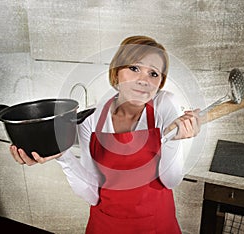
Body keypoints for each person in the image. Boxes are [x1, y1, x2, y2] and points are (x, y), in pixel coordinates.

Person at [10, 35, 201, 234]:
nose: (143, 80)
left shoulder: (165, 105)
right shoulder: (91, 118)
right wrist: (63, 156)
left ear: (160, 83)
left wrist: (172, 140)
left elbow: (171, 181)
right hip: (105, 225)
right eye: (134, 68)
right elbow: (93, 195)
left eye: (153, 73)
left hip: (156, 225)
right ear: (117, 71)